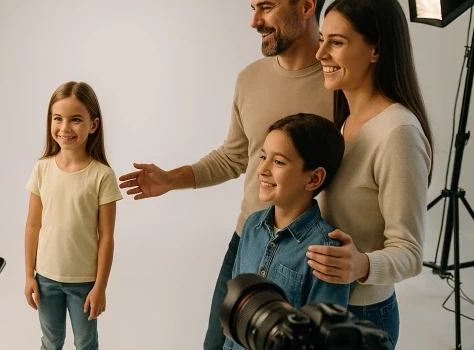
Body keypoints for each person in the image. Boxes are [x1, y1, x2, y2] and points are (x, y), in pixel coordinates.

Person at [117, 1, 330, 348]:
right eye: (252, 7)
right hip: (248, 239)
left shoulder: (341, 82)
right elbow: (233, 156)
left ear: (306, 5)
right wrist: (171, 179)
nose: (254, 21)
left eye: (266, 7)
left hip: (308, 254)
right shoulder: (250, 78)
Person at [309, 0, 434, 348]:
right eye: (322, 39)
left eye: (336, 42)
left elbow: (409, 253)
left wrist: (361, 265)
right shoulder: (347, 120)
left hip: (360, 318)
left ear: (376, 49)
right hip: (322, 307)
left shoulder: (398, 133)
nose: (319, 53)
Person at [223, 113, 348, 350]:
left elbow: (324, 341)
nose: (262, 169)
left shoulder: (327, 250)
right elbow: (234, 315)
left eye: (278, 162)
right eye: (263, 157)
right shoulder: (251, 226)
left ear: (313, 178)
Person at [23, 81, 123, 350]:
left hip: (84, 283)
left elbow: (107, 237)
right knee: (51, 342)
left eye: (75, 119)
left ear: (93, 125)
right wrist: (29, 275)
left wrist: (100, 286)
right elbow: (33, 226)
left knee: (85, 343)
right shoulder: (42, 169)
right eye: (58, 119)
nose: (65, 128)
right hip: (45, 279)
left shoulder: (102, 176)